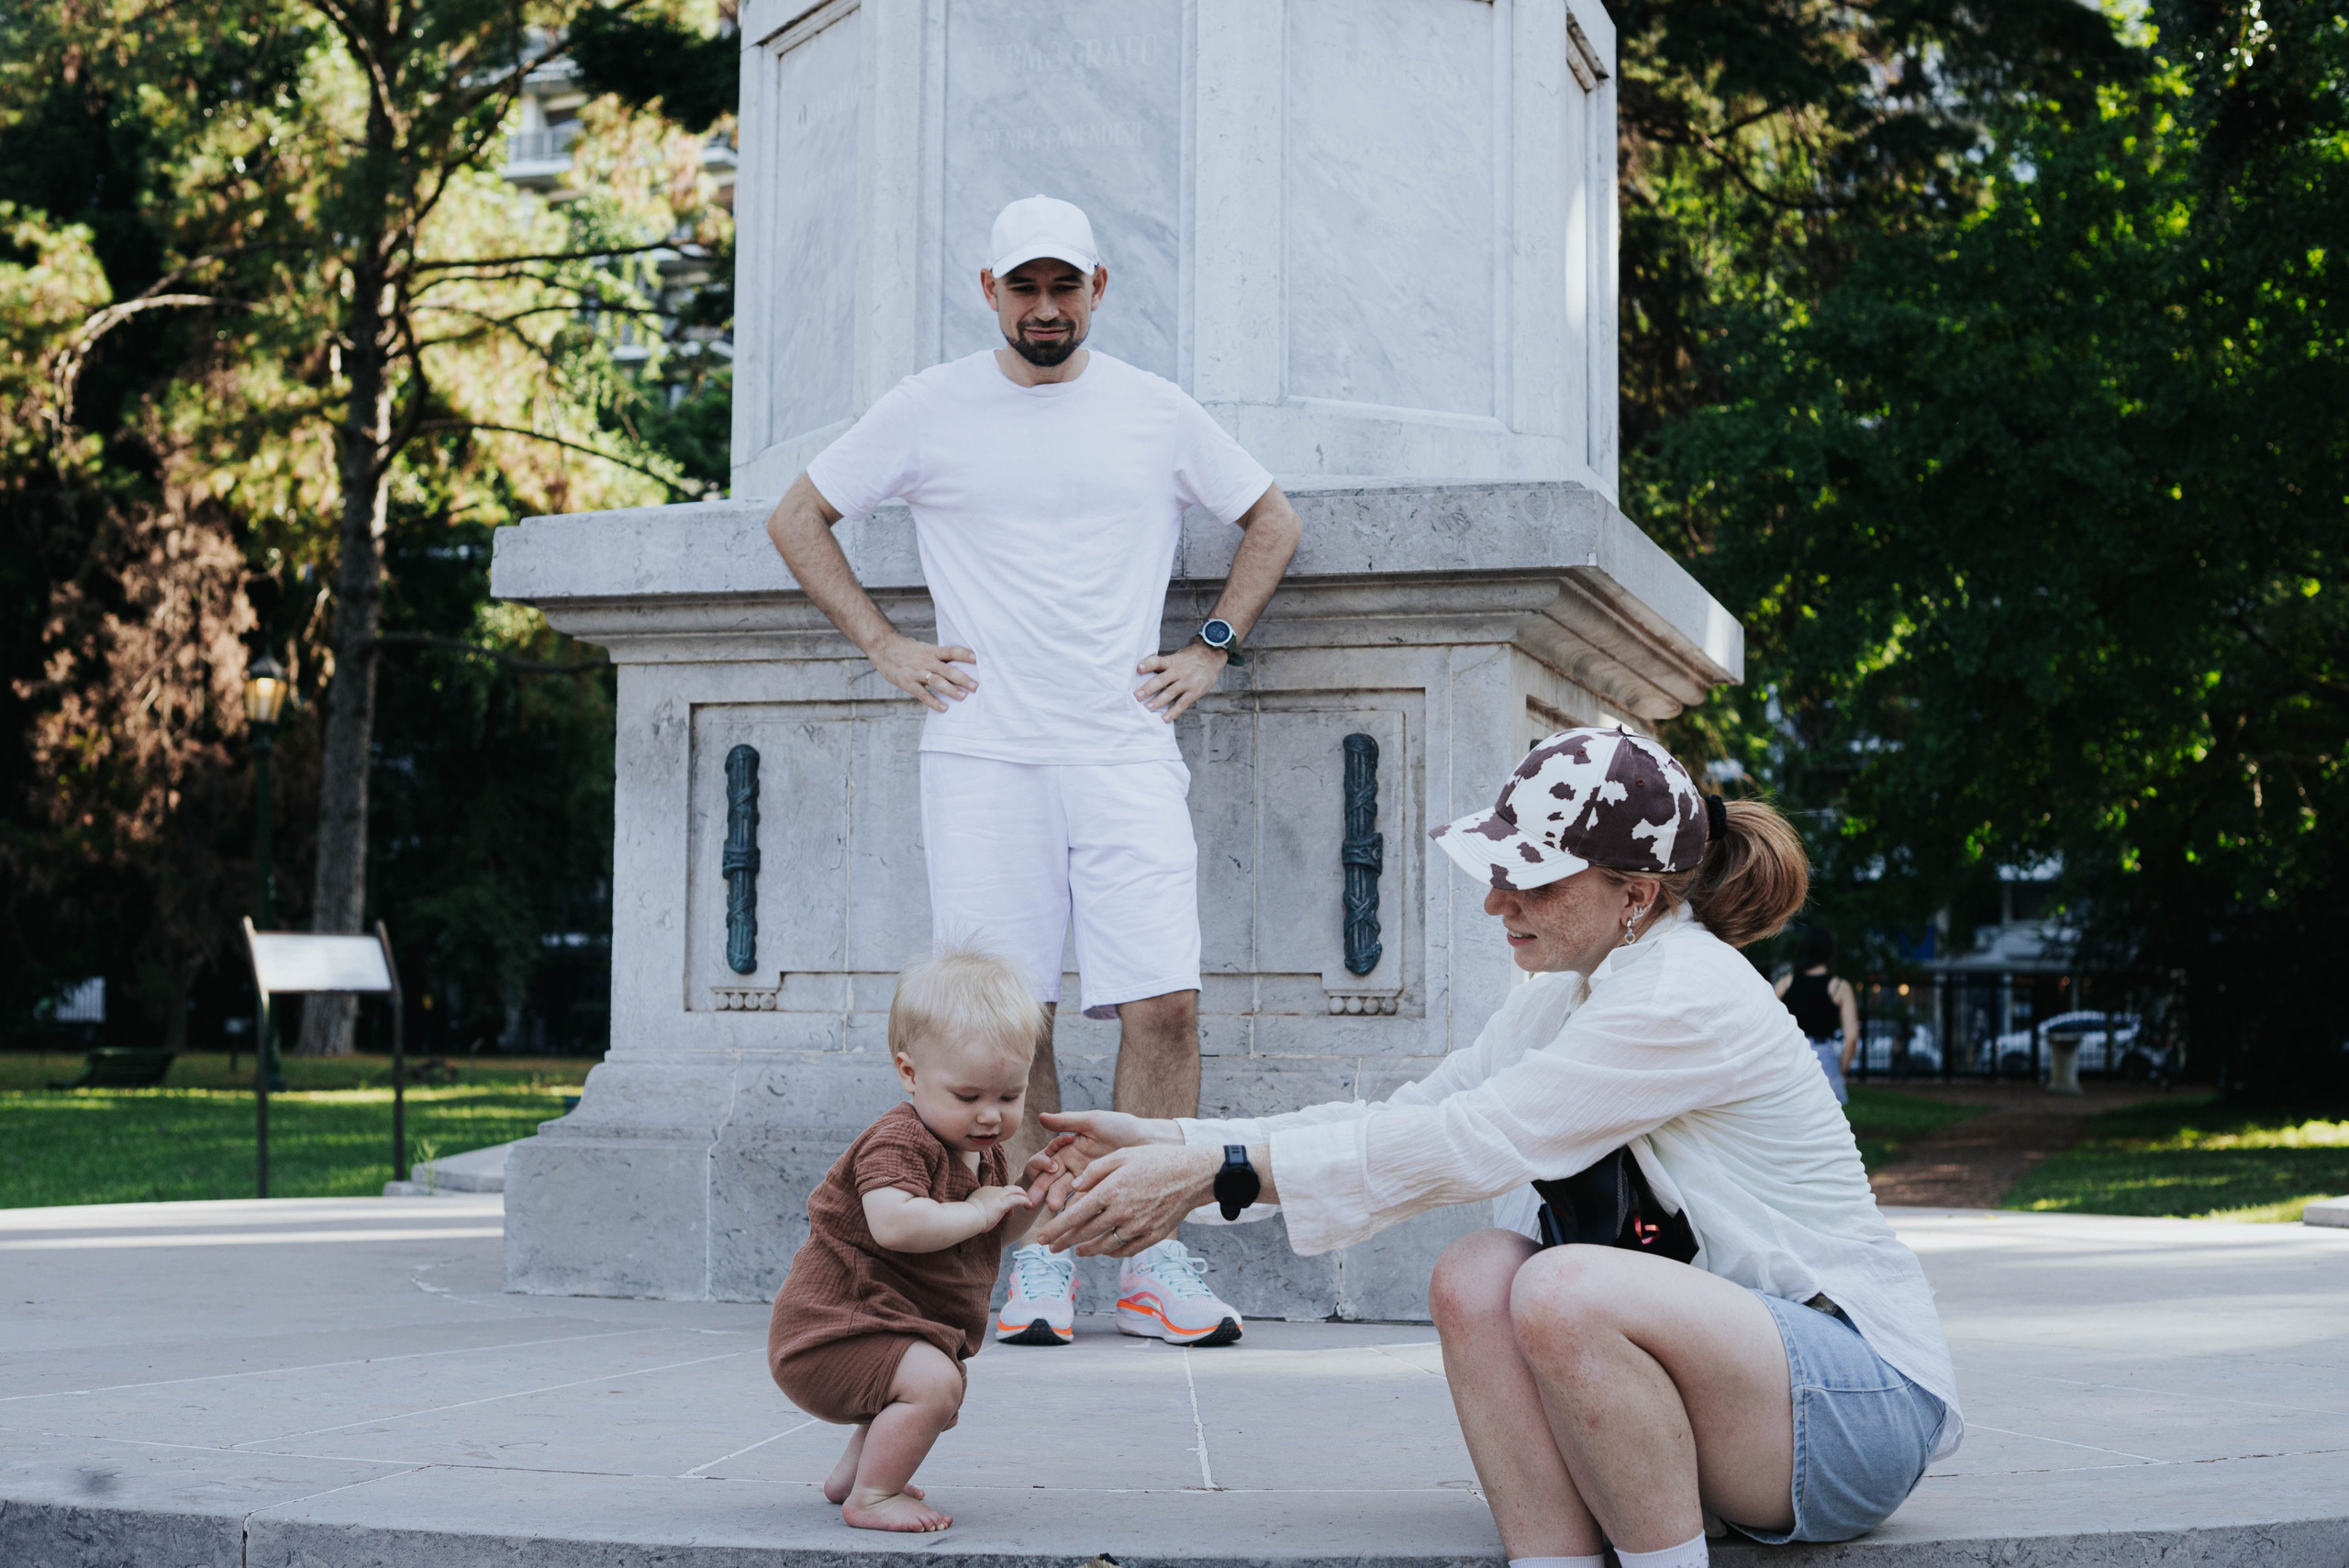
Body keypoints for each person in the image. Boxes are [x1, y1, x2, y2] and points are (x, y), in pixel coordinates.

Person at [1030, 728, 1963, 1566]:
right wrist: (1176, 1138)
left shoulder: (1685, 993)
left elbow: (1474, 1139)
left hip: (1855, 1409)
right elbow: (1417, 1110)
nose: (1495, 902)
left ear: (1634, 894)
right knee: (1476, 1271)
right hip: (1733, 1403)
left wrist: (1212, 1174)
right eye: (1499, 869)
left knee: (1561, 1288)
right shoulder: (1565, 986)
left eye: (1534, 879)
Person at [765, 194, 1300, 1351]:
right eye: (1025, 287)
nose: (1045, 307)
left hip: (1121, 743)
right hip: (982, 748)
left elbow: (1273, 520)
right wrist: (885, 645)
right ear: (989, 290)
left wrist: (1211, 646)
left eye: (1066, 286)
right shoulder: (927, 407)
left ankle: (1151, 1253)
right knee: (1009, 1017)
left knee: (1162, 999)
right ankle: (1037, 1257)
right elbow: (799, 516)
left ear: (1098, 289)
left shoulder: (1155, 411)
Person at [765, 948, 1069, 1533]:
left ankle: (853, 1477)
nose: (990, 1116)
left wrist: (1022, 1195)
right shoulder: (897, 1141)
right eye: (968, 1096)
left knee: (933, 1383)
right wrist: (980, 1209)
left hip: (881, 1323)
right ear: (910, 1074)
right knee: (931, 1384)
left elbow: (983, 1238)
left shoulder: (982, 1153)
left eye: (1009, 1097)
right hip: (828, 1330)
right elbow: (898, 1224)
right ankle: (873, 1498)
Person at [1776, 929, 1861, 1104]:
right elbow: (1852, 1037)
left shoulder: (1784, 984)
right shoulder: (1839, 987)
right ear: (1830, 953)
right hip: (1824, 1058)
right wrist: (1840, 1071)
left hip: (1791, 1056)